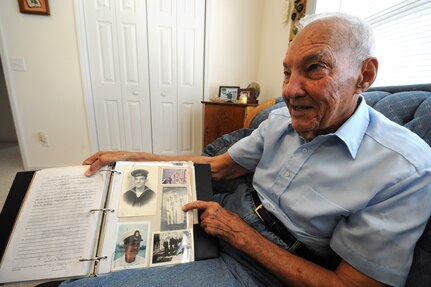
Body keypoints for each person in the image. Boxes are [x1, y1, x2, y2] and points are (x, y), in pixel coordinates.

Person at [64, 12, 431, 287]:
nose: (289, 90)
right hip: (217, 220)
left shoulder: (403, 169)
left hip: (256, 267)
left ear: (364, 76)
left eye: (315, 68)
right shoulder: (279, 123)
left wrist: (239, 234)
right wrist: (136, 157)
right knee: (90, 250)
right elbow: (218, 168)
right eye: (287, 72)